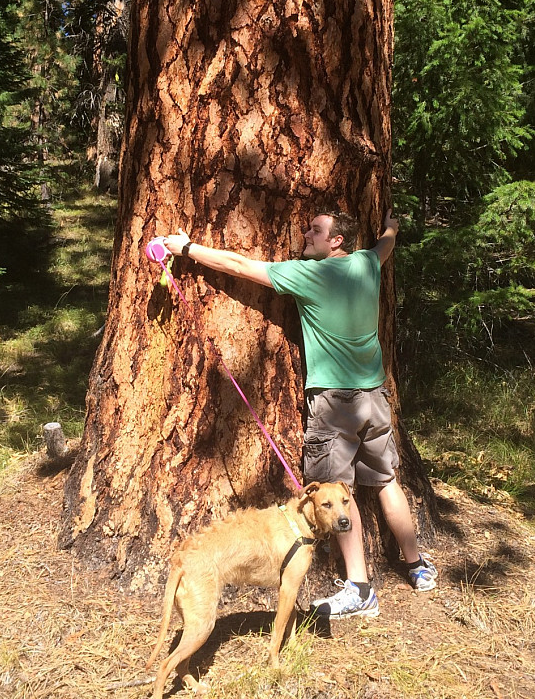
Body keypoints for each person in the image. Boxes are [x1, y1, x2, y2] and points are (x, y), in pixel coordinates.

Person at [162, 210, 436, 619]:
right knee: (385, 481)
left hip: (335, 403)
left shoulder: (311, 274)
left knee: (335, 491)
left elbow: (240, 265)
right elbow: (386, 245)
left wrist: (186, 248)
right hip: (374, 397)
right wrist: (393, 225)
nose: (306, 235)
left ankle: (359, 589)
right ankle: (418, 569)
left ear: (337, 241)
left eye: (316, 231)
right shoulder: (366, 263)